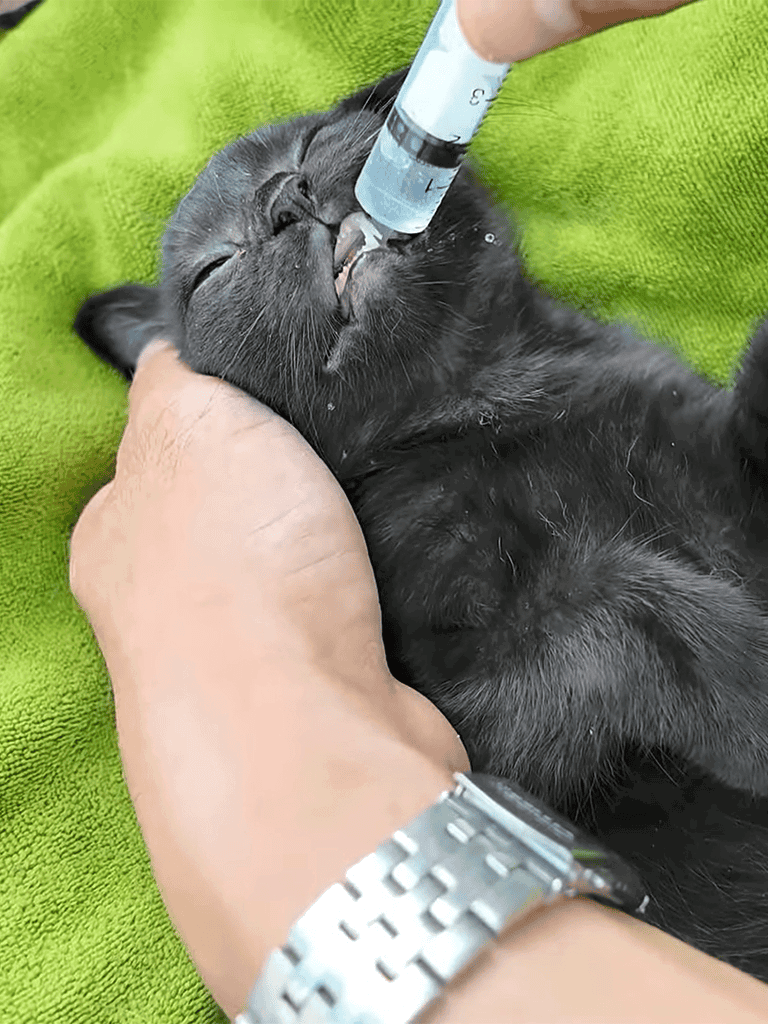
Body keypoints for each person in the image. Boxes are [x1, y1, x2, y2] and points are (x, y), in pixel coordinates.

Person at [69, 2, 768, 1021]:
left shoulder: (583, 360)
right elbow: (488, 748)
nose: (287, 196)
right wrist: (633, 627)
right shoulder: (381, 531)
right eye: (216, 269)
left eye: (318, 147)